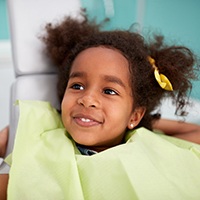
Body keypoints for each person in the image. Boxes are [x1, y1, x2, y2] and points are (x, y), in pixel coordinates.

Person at [1, 12, 200, 199]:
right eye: (77, 86)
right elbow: (19, 184)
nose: (87, 99)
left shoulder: (146, 145)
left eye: (109, 91)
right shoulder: (46, 140)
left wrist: (144, 123)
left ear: (135, 115)